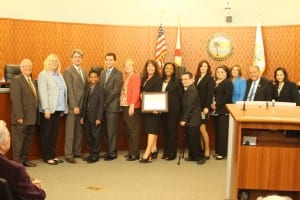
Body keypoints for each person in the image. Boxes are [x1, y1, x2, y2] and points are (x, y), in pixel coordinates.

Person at [0, 120, 46, 200]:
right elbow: (38, 196)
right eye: (9, 135)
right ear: (2, 144)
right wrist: (37, 189)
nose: (10, 138)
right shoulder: (15, 169)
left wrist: (28, 183)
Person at [37, 54, 67, 165]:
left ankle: (53, 155)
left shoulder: (59, 75)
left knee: (54, 134)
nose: (54, 63)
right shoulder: (43, 75)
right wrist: (46, 108)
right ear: (47, 63)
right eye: (51, 61)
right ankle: (47, 157)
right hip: (48, 110)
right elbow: (42, 93)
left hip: (58, 109)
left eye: (56, 61)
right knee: (46, 134)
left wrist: (63, 108)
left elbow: (62, 92)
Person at [10, 58, 38, 167]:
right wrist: (19, 116)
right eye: (25, 66)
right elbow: (16, 100)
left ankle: (25, 159)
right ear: (21, 68)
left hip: (31, 117)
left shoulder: (33, 81)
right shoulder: (16, 80)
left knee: (28, 141)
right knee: (19, 142)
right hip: (21, 117)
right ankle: (17, 163)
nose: (28, 68)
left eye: (29, 66)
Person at [63, 49, 88, 163]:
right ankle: (68, 155)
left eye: (80, 57)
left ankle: (77, 152)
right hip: (73, 106)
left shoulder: (84, 70)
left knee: (79, 131)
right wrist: (74, 106)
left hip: (82, 105)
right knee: (70, 131)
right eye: (76, 57)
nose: (78, 58)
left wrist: (83, 106)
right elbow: (69, 89)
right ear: (71, 58)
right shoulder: (68, 71)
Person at [99, 52, 122, 161]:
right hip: (103, 106)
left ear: (114, 61)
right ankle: (108, 150)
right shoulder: (102, 73)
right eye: (107, 59)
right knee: (105, 131)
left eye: (111, 59)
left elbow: (116, 91)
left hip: (112, 106)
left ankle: (112, 153)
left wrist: (105, 101)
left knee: (111, 131)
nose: (108, 61)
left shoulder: (118, 73)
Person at [80, 69, 106, 163]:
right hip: (86, 116)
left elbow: (101, 105)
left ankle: (95, 155)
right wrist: (82, 116)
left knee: (96, 136)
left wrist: (99, 118)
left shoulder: (101, 89)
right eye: (91, 77)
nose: (93, 78)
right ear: (89, 78)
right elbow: (84, 103)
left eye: (95, 77)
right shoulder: (87, 88)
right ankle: (91, 153)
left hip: (95, 117)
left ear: (98, 78)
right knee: (88, 136)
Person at [180, 72, 206, 165]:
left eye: (186, 79)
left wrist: (184, 119)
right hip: (190, 119)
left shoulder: (192, 90)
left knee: (194, 139)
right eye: (182, 79)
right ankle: (192, 156)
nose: (183, 81)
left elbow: (190, 106)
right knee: (190, 139)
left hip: (193, 119)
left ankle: (200, 157)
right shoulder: (189, 89)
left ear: (191, 79)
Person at [139, 60, 163, 163]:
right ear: (146, 68)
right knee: (151, 129)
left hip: (154, 108)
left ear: (155, 68)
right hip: (146, 108)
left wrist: (155, 107)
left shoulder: (158, 79)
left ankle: (147, 153)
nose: (151, 68)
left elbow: (157, 93)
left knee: (152, 129)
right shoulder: (144, 78)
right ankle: (154, 150)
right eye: (149, 66)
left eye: (153, 67)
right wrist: (141, 94)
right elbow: (141, 91)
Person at [120, 58, 141, 161]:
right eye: (126, 65)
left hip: (132, 107)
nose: (127, 67)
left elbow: (136, 92)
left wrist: (132, 105)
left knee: (133, 131)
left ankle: (135, 154)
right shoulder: (127, 77)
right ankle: (131, 152)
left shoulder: (135, 77)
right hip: (125, 106)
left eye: (130, 65)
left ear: (133, 67)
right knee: (128, 130)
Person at [161, 62, 183, 160]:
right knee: (165, 132)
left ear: (174, 70)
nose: (168, 70)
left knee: (172, 131)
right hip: (162, 109)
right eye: (166, 68)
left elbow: (181, 96)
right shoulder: (160, 80)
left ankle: (171, 154)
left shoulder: (177, 81)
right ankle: (166, 152)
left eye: (171, 68)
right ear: (164, 69)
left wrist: (182, 112)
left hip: (174, 110)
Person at [211, 65, 233, 160]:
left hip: (223, 111)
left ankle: (222, 153)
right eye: (218, 72)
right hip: (215, 111)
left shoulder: (228, 83)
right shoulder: (214, 82)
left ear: (226, 74)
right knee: (217, 132)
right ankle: (218, 151)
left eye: (222, 72)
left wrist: (217, 105)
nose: (220, 73)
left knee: (222, 133)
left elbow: (227, 97)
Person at [194, 60, 214, 159]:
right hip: (196, 108)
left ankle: (207, 150)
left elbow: (210, 94)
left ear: (208, 68)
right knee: (198, 129)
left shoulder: (209, 78)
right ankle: (201, 149)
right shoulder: (197, 77)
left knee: (202, 128)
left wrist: (207, 107)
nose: (203, 68)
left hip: (204, 108)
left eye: (205, 66)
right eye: (201, 66)